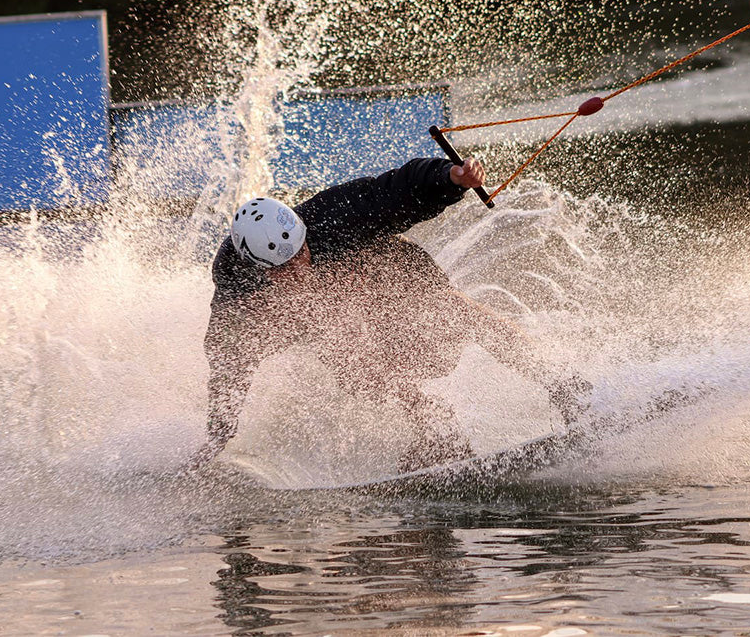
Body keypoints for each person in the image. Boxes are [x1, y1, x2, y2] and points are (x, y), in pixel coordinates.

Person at [193, 156, 588, 472]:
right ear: (256, 268)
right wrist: (218, 435)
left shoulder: (327, 216)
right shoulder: (239, 294)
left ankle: (567, 386)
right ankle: (434, 431)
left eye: (301, 255)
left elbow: (396, 189)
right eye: (283, 269)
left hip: (390, 274)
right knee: (356, 369)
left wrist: (450, 177)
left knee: (457, 314)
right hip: (335, 322)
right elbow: (229, 361)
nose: (299, 270)